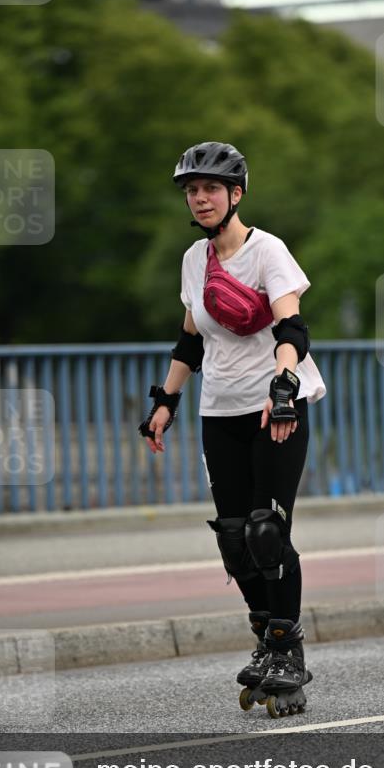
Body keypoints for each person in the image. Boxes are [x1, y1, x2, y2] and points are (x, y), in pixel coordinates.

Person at [139, 141, 326, 718]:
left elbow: (292, 328)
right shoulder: (194, 260)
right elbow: (191, 339)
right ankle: (266, 633)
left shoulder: (268, 250)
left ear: (235, 194)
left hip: (275, 409)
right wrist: (165, 400)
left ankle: (285, 651)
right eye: (192, 190)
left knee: (268, 531)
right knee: (234, 538)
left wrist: (283, 387)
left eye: (211, 189)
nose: (199, 198)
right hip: (218, 411)